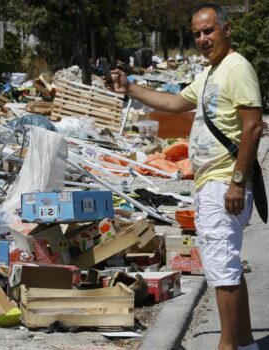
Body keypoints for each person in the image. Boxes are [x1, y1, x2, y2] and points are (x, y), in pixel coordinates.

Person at [109, 3, 263, 350]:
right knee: (226, 266)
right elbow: (176, 103)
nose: (203, 39)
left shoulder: (236, 68)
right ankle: (245, 343)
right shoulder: (212, 72)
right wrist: (130, 88)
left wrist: (237, 181)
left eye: (209, 30)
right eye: (197, 33)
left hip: (225, 181)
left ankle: (227, 346)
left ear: (227, 29)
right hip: (211, 182)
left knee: (222, 267)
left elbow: (253, 127)